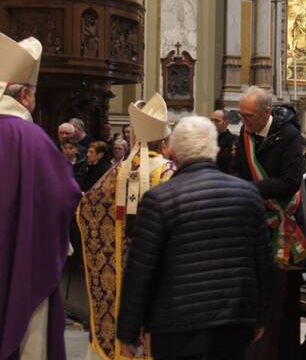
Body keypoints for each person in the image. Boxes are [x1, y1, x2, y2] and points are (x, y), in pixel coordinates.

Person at [117, 116, 272, 360]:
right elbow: (263, 263)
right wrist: (261, 316)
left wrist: (127, 332)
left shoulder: (159, 199)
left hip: (176, 326)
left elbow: (140, 271)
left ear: (173, 152)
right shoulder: (248, 194)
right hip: (234, 323)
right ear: (216, 149)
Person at [0, 33, 82, 359]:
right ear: (24, 94)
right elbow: (64, 194)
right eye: (34, 94)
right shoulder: (30, 137)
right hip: (22, 256)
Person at [78, 93, 175, 360]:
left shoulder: (115, 174)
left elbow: (85, 211)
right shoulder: (169, 174)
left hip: (117, 279)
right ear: (164, 143)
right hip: (156, 278)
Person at [232, 86, 306, 265]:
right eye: (241, 115)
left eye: (248, 116)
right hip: (256, 214)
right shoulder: (246, 131)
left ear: (266, 112)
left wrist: (249, 188)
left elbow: (291, 181)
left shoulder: (289, 135)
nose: (244, 121)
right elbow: (237, 168)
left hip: (286, 211)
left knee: (284, 280)